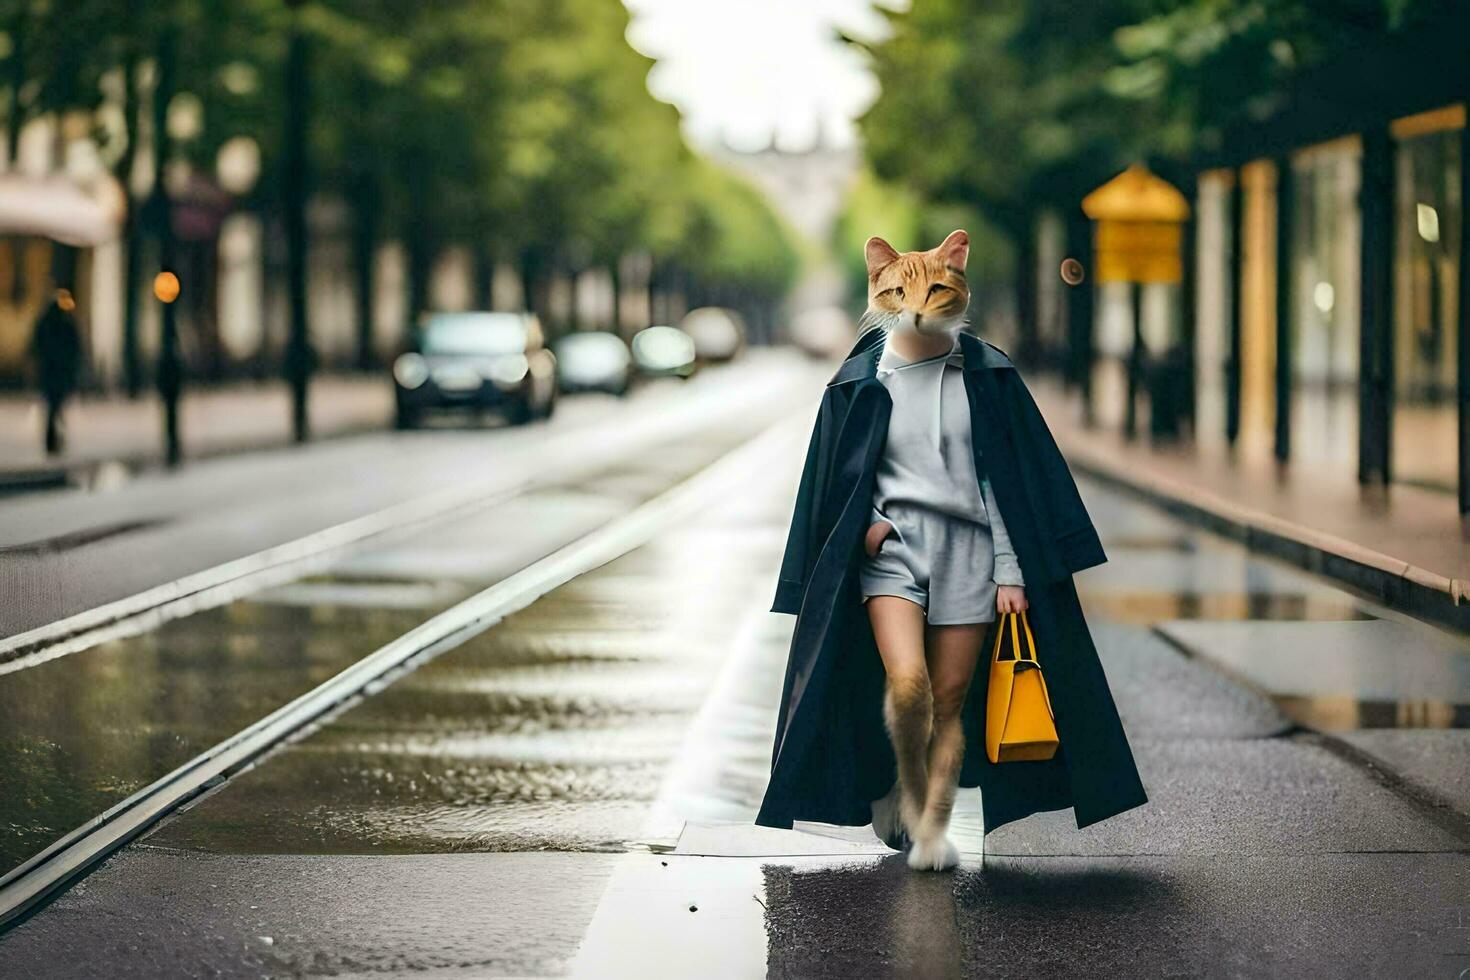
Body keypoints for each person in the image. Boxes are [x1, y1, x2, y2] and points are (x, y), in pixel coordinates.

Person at [757, 230, 1147, 871]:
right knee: (908, 686)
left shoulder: (987, 376)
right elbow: (843, 480)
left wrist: (1010, 569)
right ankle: (908, 803)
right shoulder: (859, 381)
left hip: (971, 553)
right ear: (878, 291)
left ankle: (929, 821)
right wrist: (867, 526)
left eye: (935, 287)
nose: (916, 305)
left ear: (958, 283)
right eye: (898, 290)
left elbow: (1001, 482)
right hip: (894, 556)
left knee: (948, 695)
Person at [32, 288, 83, 456]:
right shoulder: (65, 324)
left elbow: (37, 346)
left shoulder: (47, 323)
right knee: (56, 408)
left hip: (51, 373)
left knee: (53, 408)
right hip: (58, 373)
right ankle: (55, 439)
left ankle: (53, 440)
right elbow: (75, 349)